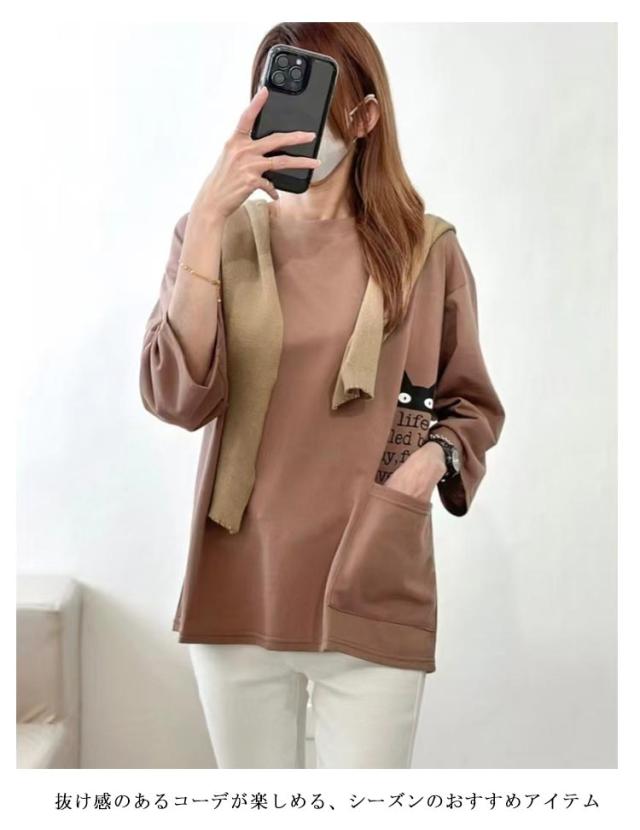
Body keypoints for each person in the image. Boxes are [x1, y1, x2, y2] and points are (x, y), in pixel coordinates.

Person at [139, 22, 505, 769]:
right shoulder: (213, 236)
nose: (286, 116)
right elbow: (175, 395)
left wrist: (424, 467)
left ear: (363, 118)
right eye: (272, 92)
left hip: (369, 578)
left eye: (312, 96)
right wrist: (207, 220)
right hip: (241, 582)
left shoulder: (426, 249)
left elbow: (470, 405)